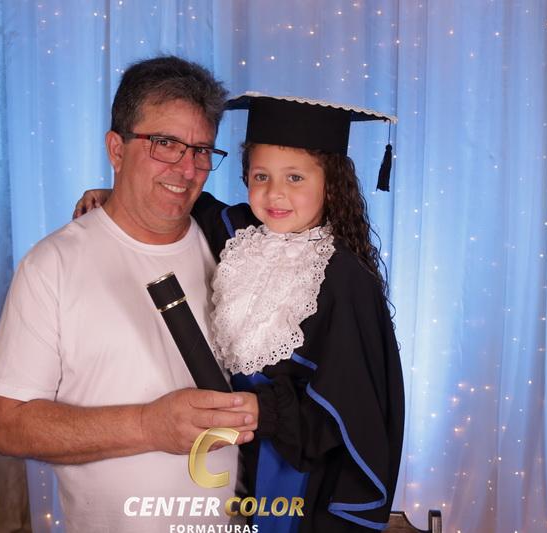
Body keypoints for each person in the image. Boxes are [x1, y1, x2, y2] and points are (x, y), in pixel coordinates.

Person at [76, 93, 405, 532]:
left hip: (296, 470)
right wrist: (116, 196)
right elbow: (186, 202)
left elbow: (351, 407)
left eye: (295, 178)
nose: (274, 193)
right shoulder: (238, 234)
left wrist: (263, 411)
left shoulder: (345, 277)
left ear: (332, 183)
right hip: (223, 452)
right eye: (261, 176)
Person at [0, 56, 259, 533]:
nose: (186, 169)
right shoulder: (53, 265)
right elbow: (8, 426)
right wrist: (149, 426)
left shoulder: (233, 247)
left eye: (201, 150)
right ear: (116, 148)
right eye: (165, 144)